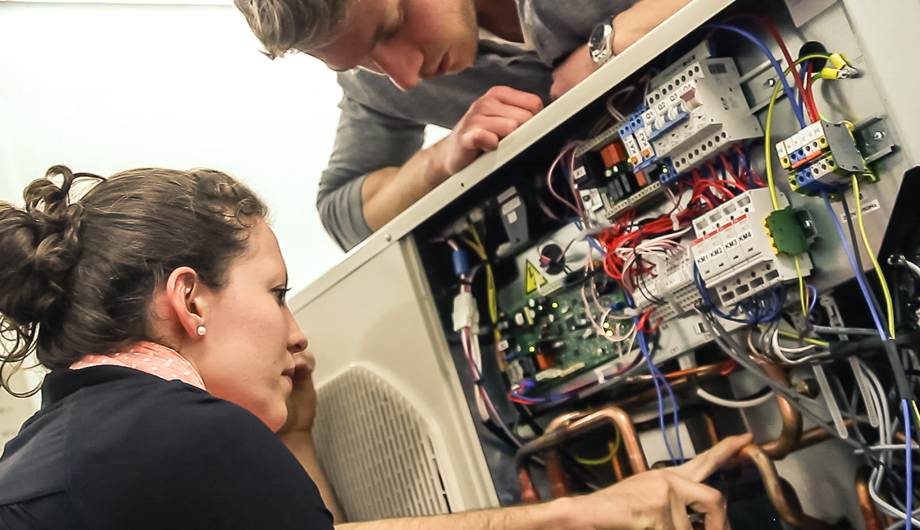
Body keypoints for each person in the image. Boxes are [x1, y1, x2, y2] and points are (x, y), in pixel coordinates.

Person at [0, 164, 751, 529]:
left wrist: (580, 515)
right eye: (276, 294)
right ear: (189, 300)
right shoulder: (181, 436)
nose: (296, 333)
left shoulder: (74, 445)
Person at [219, 0, 891, 251]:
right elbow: (343, 215)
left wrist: (616, 43)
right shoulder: (386, 78)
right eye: (359, 64)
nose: (403, 74)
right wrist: (439, 163)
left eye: (391, 25)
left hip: (853, 119)